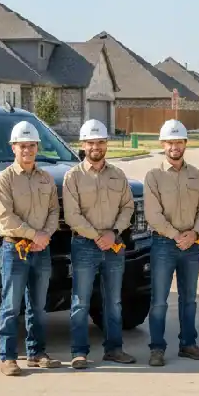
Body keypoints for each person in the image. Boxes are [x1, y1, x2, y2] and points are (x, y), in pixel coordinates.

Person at [63, 119, 136, 369]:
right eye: (91, 142)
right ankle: (79, 352)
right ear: (83, 145)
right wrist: (97, 236)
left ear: (107, 144)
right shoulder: (73, 177)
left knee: (114, 301)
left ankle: (114, 349)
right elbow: (72, 215)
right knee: (81, 301)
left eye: (101, 142)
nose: (96, 147)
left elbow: (128, 207)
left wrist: (113, 233)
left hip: (114, 246)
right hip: (84, 245)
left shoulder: (118, 175)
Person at [0, 120, 62, 376]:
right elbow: (6, 218)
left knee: (38, 307)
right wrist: (35, 235)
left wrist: (45, 236)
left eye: (31, 145)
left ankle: (37, 353)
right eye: (22, 146)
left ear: (37, 147)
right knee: (11, 306)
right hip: (15, 250)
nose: (27, 150)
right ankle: (8, 357)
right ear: (13, 147)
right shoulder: (4, 180)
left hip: (41, 251)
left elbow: (54, 211)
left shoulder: (46, 179)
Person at [143, 119, 199, 367]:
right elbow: (153, 214)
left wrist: (194, 233)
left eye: (179, 142)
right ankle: (157, 348)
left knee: (189, 299)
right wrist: (176, 235)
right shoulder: (154, 176)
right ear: (163, 144)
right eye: (170, 142)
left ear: (185, 144)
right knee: (159, 300)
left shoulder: (196, 175)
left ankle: (188, 344)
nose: (175, 147)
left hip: (191, 245)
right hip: (163, 244)